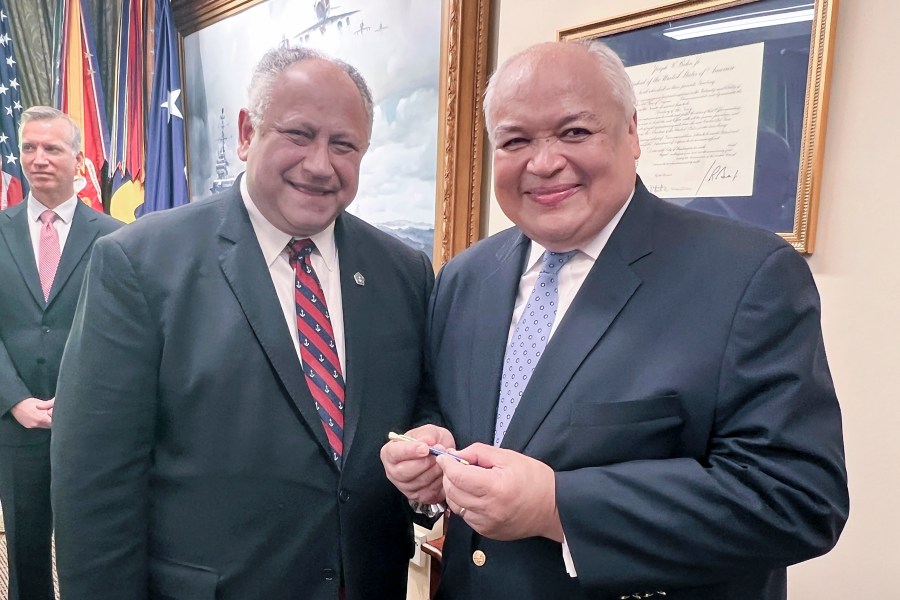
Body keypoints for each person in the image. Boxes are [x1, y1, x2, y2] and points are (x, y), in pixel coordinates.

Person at [381, 41, 848, 599]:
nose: (544, 161)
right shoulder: (464, 277)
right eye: (515, 140)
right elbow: (447, 409)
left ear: (632, 132)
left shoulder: (748, 277)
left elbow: (796, 497)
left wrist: (560, 507)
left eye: (575, 132)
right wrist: (427, 458)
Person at [51, 46, 433, 600]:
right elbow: (95, 482)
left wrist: (427, 449)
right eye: (299, 134)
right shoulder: (139, 263)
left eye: (344, 144)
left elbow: (419, 404)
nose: (321, 164)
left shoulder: (403, 271)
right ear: (248, 132)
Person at [0, 106, 121, 600]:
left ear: (78, 160)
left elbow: (122, 335)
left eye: (52, 148)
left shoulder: (117, 238)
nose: (38, 158)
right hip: (16, 423)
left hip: (91, 423)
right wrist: (15, 401)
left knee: (93, 548)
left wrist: (79, 400)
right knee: (25, 554)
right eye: (29, 147)